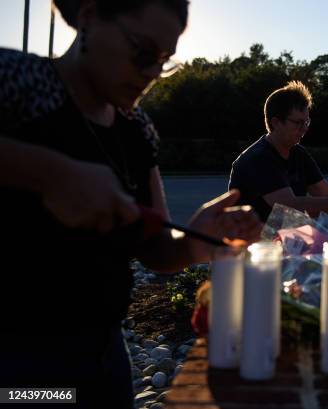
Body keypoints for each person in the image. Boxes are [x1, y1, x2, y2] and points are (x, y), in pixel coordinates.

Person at [0, 0, 260, 407]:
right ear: (88, 17)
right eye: (143, 51)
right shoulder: (18, 80)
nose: (153, 73)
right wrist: (49, 174)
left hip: (107, 354)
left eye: (164, 60)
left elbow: (157, 249)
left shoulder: (136, 129)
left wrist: (194, 241)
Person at [229, 80, 328, 221]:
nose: (304, 128)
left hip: (284, 241)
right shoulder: (258, 159)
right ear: (275, 123)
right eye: (298, 122)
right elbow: (289, 208)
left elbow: (326, 193)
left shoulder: (298, 154)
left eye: (307, 121)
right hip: (249, 245)